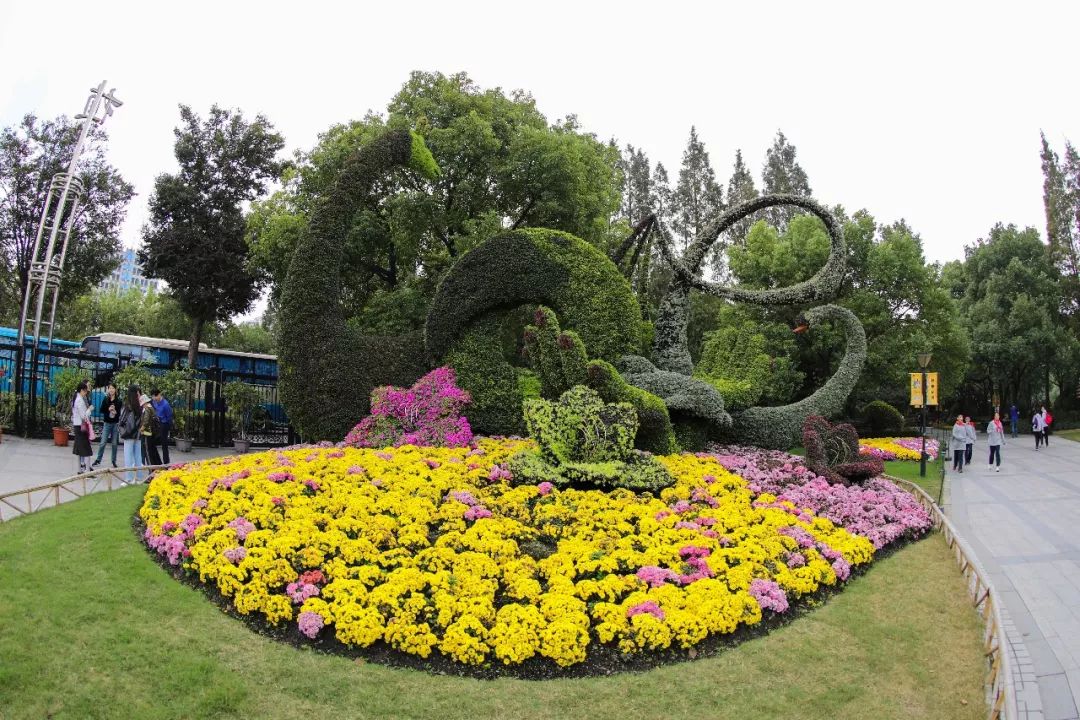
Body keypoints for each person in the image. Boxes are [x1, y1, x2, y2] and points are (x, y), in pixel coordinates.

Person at [92, 383, 122, 469]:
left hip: (115, 424)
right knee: (102, 443)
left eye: (113, 388)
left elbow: (119, 414)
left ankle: (113, 461)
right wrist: (108, 409)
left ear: (115, 390)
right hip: (107, 423)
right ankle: (98, 459)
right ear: (108, 390)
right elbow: (101, 410)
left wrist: (115, 412)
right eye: (110, 388)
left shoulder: (119, 401)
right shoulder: (106, 399)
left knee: (114, 444)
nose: (111, 390)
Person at [119, 386, 144, 483]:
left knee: (128, 457)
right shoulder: (140, 405)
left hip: (128, 434)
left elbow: (122, 420)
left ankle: (129, 479)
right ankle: (139, 478)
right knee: (138, 456)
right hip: (137, 434)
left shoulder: (128, 406)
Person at [71, 381, 94, 473]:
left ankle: (79, 470)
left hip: (77, 426)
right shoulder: (80, 400)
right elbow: (83, 416)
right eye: (85, 391)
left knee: (79, 449)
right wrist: (89, 409)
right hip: (81, 427)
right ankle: (87, 471)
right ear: (81, 390)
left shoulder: (76, 398)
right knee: (86, 449)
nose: (86, 393)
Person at [151, 387, 173, 465]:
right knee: (152, 442)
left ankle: (166, 463)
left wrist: (168, 428)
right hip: (156, 424)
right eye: (152, 396)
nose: (154, 398)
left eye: (155, 396)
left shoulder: (166, 404)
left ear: (159, 395)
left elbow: (169, 417)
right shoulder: (154, 402)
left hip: (164, 424)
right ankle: (156, 461)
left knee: (164, 444)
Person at [139, 393, 162, 467]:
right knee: (152, 450)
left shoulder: (147, 409)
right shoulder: (150, 407)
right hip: (151, 432)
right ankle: (157, 466)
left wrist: (141, 429)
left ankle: (151, 468)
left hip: (147, 432)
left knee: (148, 451)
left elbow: (146, 421)